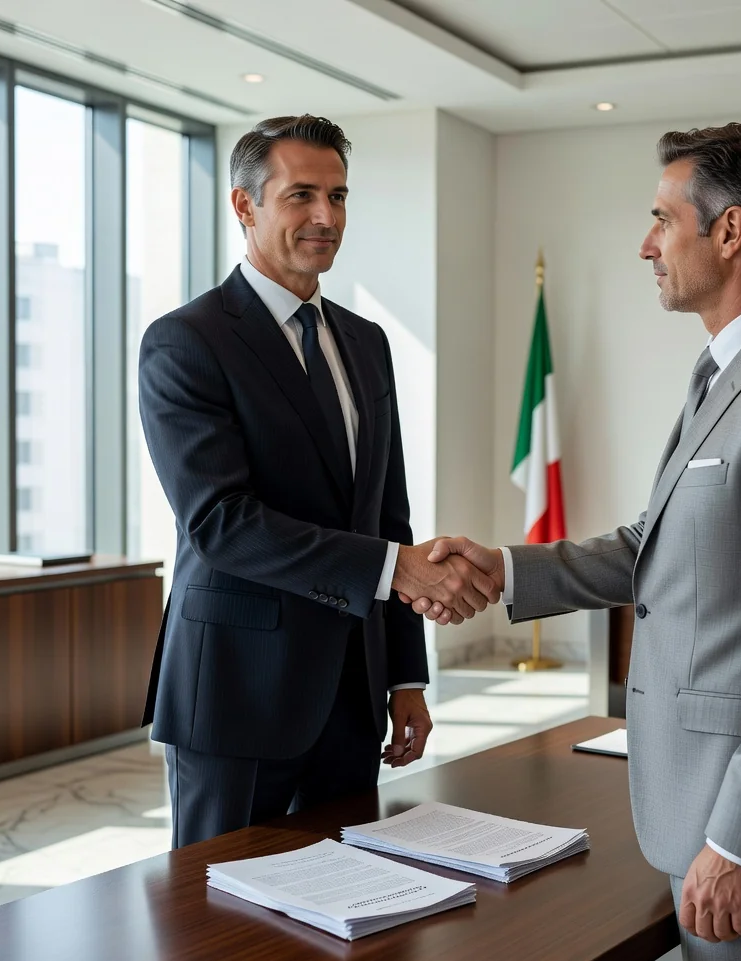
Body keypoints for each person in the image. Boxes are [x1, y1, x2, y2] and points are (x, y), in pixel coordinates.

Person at [408, 123, 741, 961]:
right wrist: (504, 567)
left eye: (663, 219)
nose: (646, 243)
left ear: (731, 232)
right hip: (699, 800)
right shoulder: (727, 375)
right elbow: (651, 546)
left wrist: (740, 843)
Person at [139, 115, 498, 849]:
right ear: (245, 206)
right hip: (236, 696)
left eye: (338, 196)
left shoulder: (366, 344)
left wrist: (405, 677)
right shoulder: (186, 341)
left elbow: (387, 517)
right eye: (301, 195)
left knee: (350, 926)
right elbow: (221, 523)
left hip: (351, 697)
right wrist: (397, 569)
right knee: (221, 932)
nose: (325, 217)